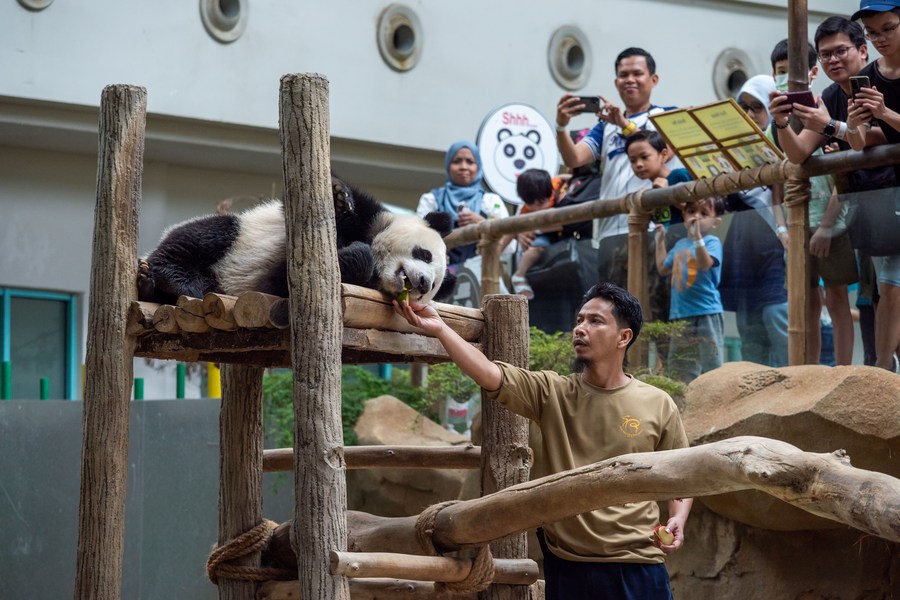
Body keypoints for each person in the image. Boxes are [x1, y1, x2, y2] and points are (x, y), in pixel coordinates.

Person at [393, 283, 692, 599]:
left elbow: (682, 474)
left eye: (595, 321)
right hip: (569, 568)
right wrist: (440, 329)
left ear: (623, 337)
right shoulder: (551, 392)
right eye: (579, 320)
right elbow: (489, 373)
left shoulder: (658, 403)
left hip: (639, 567)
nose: (580, 328)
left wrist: (678, 519)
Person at [554, 47, 678, 291]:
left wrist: (624, 124)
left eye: (637, 73)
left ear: (654, 79)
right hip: (610, 234)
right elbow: (575, 157)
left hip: (654, 228)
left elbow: (666, 150)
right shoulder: (605, 127)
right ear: (616, 82)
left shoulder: (667, 115)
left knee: (651, 312)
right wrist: (561, 126)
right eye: (623, 75)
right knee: (614, 311)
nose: (629, 80)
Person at [767, 37, 859, 365]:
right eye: (779, 71)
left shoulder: (825, 109)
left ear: (812, 72)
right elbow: (776, 184)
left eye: (792, 71)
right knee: (806, 302)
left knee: (836, 298)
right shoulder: (773, 123)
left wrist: (826, 225)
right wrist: (782, 229)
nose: (785, 78)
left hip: (833, 221)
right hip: (795, 224)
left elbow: (842, 178)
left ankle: (843, 372)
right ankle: (808, 373)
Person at [719, 74, 790, 367]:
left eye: (757, 107)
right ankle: (753, 389)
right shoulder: (733, 148)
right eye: (744, 108)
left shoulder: (787, 137)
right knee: (748, 322)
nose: (749, 115)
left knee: (777, 313)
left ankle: (794, 381)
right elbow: (729, 202)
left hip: (777, 240)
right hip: (743, 242)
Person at [847, 1, 900, 371]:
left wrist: (884, 113)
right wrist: (853, 124)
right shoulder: (866, 77)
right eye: (872, 32)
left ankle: (883, 369)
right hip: (885, 198)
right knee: (887, 289)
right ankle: (883, 373)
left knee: (892, 289)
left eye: (888, 28)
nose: (880, 38)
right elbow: (856, 142)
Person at [654, 198, 725, 383]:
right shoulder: (679, 245)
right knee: (680, 367)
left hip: (707, 312)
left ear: (716, 222)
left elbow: (705, 264)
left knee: (712, 363)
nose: (696, 217)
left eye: (703, 214)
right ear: (684, 215)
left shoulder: (712, 241)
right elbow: (663, 268)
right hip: (680, 314)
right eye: (691, 211)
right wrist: (660, 240)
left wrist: (697, 239)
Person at [416, 140, 510, 269]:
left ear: (478, 166)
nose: (463, 167)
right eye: (457, 161)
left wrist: (482, 224)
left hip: (482, 275)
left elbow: (510, 248)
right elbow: (418, 240)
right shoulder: (432, 200)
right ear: (448, 165)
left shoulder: (491, 201)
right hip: (441, 276)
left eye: (470, 162)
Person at [500, 168, 560, 300]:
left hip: (551, 240)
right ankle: (519, 274)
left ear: (549, 192)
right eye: (532, 204)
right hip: (534, 246)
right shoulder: (524, 210)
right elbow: (513, 228)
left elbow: (563, 177)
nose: (538, 208)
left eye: (541, 202)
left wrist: (536, 229)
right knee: (534, 247)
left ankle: (519, 275)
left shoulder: (556, 189)